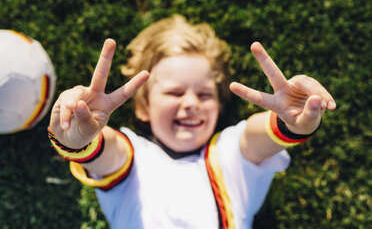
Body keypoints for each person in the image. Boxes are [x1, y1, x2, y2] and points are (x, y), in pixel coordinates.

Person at [48, 15, 336, 229]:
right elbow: (107, 152)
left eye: (204, 94)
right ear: (143, 106)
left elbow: (256, 137)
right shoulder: (134, 157)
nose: (190, 103)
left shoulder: (229, 155)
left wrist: (292, 122)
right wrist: (79, 140)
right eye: (174, 92)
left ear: (220, 104)